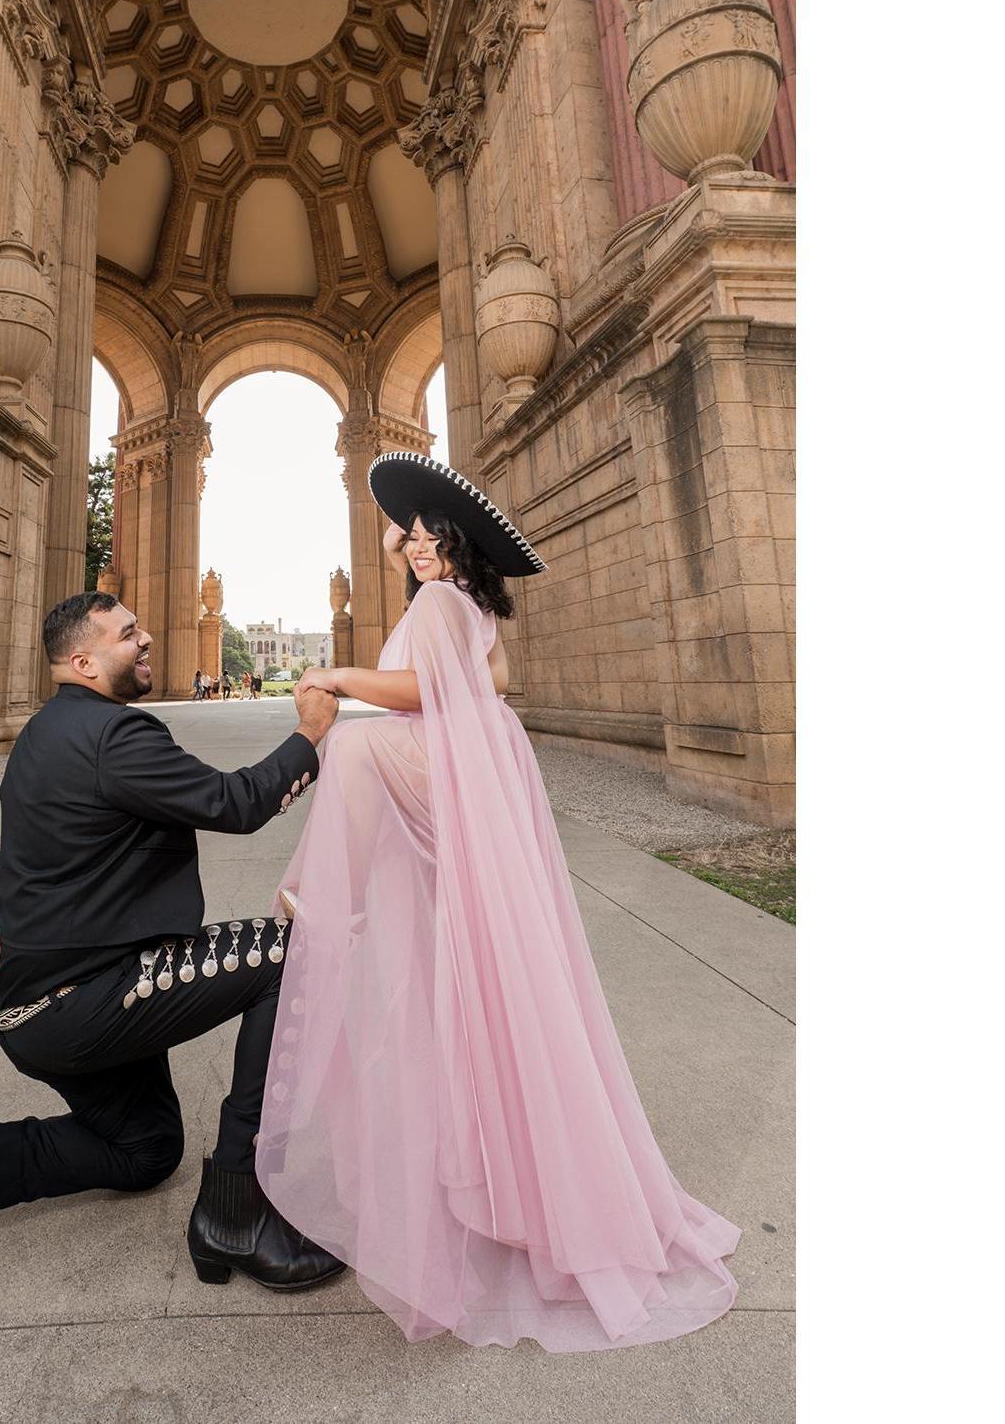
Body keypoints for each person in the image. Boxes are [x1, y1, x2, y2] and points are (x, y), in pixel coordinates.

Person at [256, 452, 741, 1352]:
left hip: (445, 769)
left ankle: (321, 895)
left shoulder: (441, 605)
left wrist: (339, 680)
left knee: (352, 751)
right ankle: (514, 1174)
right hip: (472, 780)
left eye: (425, 536)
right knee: (474, 974)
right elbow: (496, 688)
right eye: (409, 538)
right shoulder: (467, 610)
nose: (409, 546)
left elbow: (427, 695)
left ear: (453, 547)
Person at [0, 591, 344, 1292]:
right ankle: (236, 1211)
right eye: (128, 635)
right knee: (288, 953)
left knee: (145, 1151)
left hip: (33, 1009)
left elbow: (23, 857)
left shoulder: (41, 735)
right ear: (84, 660)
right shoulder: (117, 738)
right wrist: (309, 735)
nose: (147, 639)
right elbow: (235, 804)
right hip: (83, 1001)